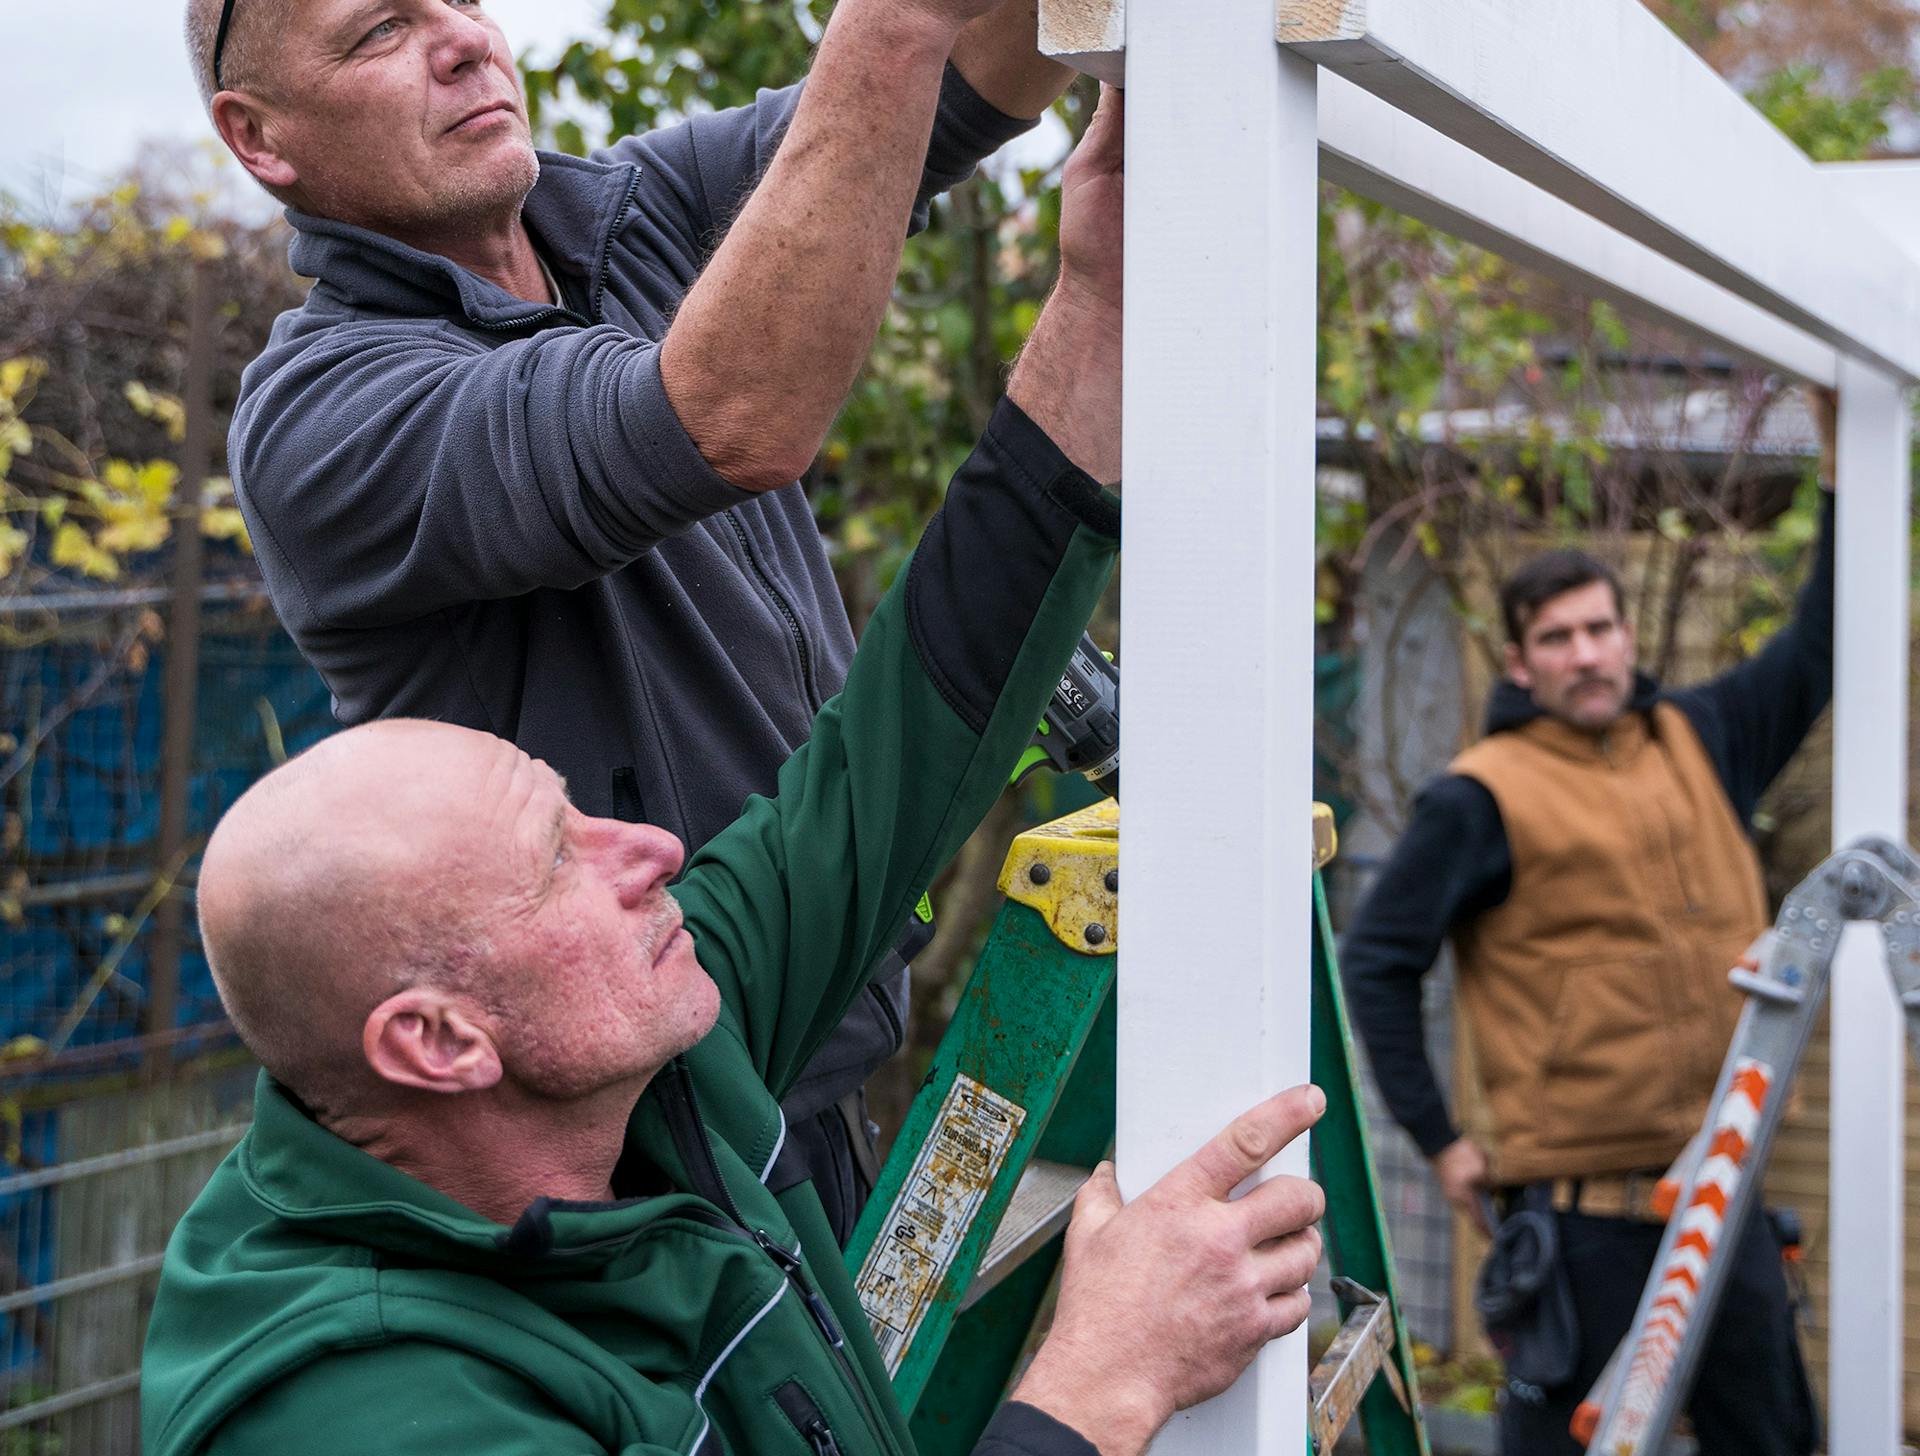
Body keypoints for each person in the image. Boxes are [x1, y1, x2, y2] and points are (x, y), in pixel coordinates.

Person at [141, 114, 1328, 1455]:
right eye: (557, 861)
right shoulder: (372, 1410)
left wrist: (1101, 295)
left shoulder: (651, 1062)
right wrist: (1096, 1385)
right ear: (439, 1042)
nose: (646, 845)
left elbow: (898, 747)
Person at [182, 0, 1161, 1240]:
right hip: (606, 1128)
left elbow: (959, 85)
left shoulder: (631, 216)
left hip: (810, 1049)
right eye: (382, 31)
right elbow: (727, 417)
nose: (459, 45)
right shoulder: (329, 412)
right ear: (264, 139)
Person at [1341, 391, 1836, 1456]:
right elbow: (1377, 960)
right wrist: (1440, 1141)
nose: (1586, 653)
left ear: (1625, 633)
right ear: (1521, 664)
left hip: (1723, 1197)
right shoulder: (1482, 795)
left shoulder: (1702, 737)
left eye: (1599, 628)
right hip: (1580, 1224)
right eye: (1556, 639)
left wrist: (1841, 465)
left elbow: (1816, 649)